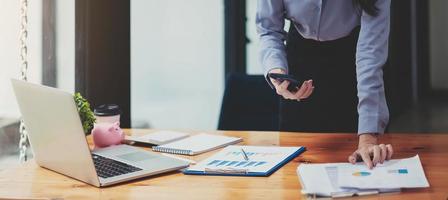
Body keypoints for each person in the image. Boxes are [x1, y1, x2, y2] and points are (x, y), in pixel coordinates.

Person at [257, 0, 393, 169]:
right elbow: (269, 29)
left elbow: (370, 56)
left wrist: (367, 138)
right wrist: (277, 71)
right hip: (299, 64)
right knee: (295, 172)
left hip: (354, 68)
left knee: (363, 174)